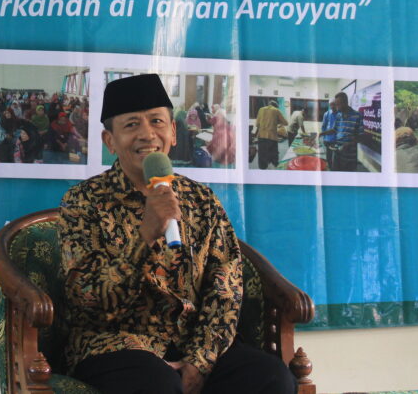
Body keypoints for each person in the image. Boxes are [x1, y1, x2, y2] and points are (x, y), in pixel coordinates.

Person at [59, 74, 295, 394]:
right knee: (155, 383)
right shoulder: (83, 201)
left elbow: (226, 286)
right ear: (109, 141)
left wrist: (200, 360)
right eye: (131, 124)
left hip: (192, 340)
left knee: (271, 377)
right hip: (115, 344)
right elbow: (87, 300)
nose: (147, 134)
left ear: (172, 131)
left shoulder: (201, 199)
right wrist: (143, 237)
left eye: (156, 121)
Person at [319, 92, 362, 171]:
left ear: (345, 102)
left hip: (349, 157)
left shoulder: (357, 116)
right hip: (337, 154)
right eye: (336, 105)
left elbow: (361, 137)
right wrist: (321, 133)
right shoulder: (339, 115)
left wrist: (347, 144)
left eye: (338, 105)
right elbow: (334, 129)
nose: (337, 108)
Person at [253, 100, 287, 169]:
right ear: (276, 106)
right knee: (273, 156)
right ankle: (274, 169)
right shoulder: (276, 110)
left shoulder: (261, 109)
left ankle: (262, 169)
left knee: (262, 155)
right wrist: (276, 121)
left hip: (261, 136)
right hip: (272, 137)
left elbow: (257, 124)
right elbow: (286, 123)